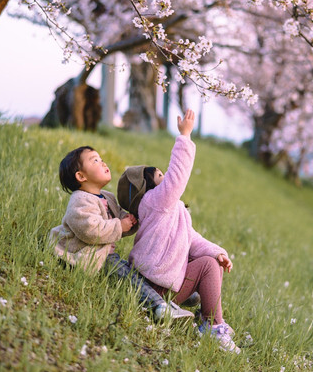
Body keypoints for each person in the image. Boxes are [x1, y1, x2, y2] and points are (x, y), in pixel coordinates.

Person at [117, 109, 240, 353]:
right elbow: (177, 177)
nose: (166, 177)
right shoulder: (154, 202)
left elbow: (191, 239)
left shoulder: (171, 211)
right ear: (147, 188)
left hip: (166, 286)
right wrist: (184, 136)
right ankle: (213, 326)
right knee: (206, 266)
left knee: (209, 262)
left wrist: (217, 252)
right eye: (160, 175)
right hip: (155, 286)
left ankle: (210, 320)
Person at [49, 145, 194, 322]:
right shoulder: (80, 200)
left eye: (101, 158)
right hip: (88, 256)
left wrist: (134, 220)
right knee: (125, 275)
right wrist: (120, 226)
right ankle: (159, 307)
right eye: (95, 160)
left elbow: (120, 216)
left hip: (104, 256)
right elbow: (91, 230)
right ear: (81, 176)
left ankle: (170, 299)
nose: (102, 162)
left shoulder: (107, 197)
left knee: (130, 273)